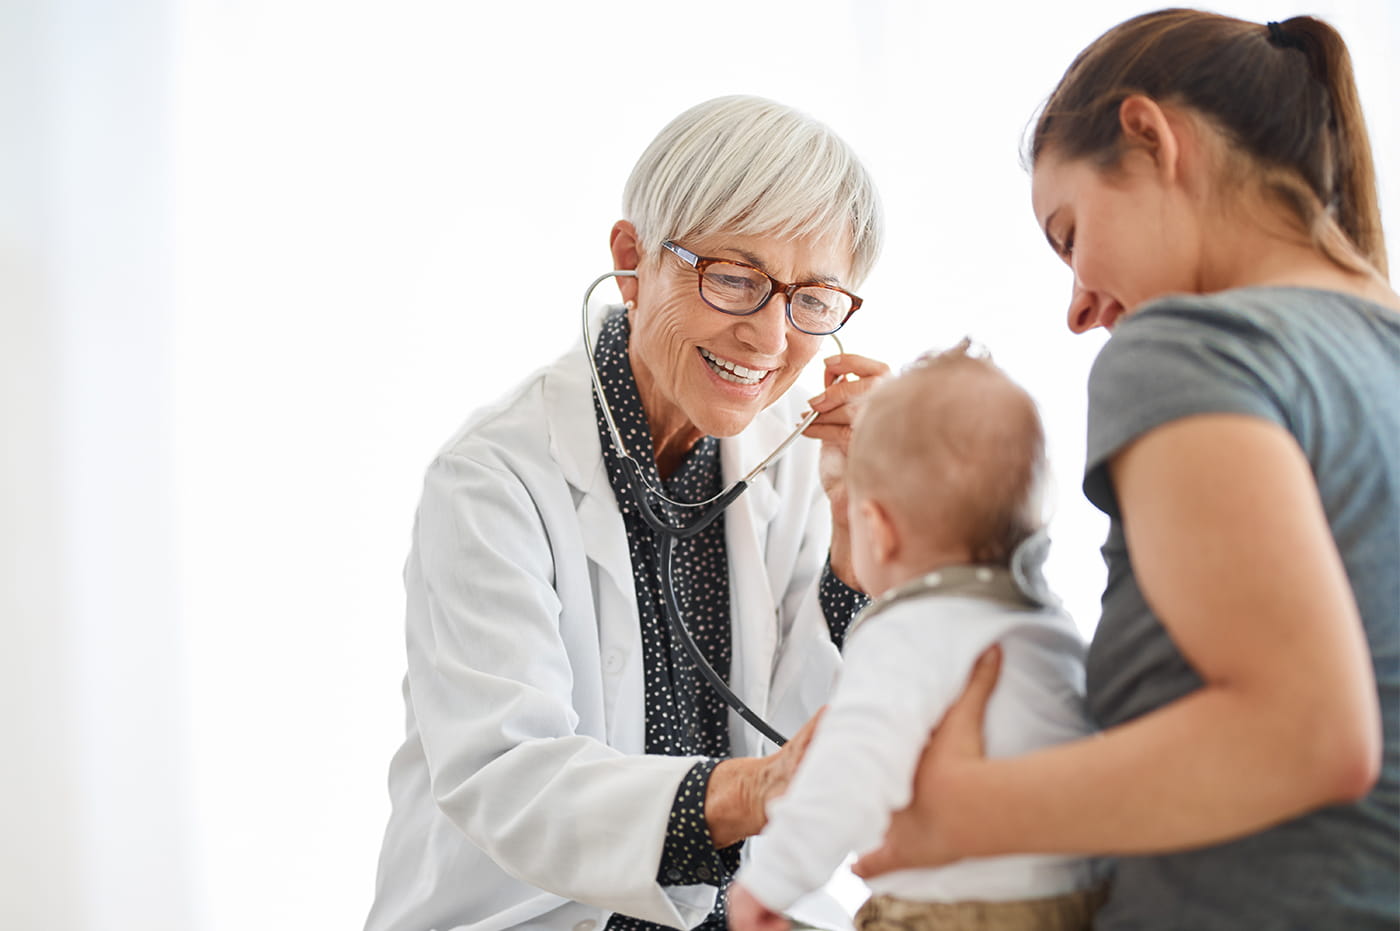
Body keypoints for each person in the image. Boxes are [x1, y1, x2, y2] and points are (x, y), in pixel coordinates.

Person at [851, 10, 1400, 930]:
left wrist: (960, 809)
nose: (1076, 308)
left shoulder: (1189, 348)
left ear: (1150, 138)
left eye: (1069, 235)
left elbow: (1307, 735)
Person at [364, 95, 890, 931]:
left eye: (813, 299)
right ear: (633, 259)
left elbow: (813, 749)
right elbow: (509, 776)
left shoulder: (800, 466)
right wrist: (754, 790)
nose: (767, 337)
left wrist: (866, 547)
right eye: (735, 279)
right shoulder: (493, 479)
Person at [725, 344, 1106, 931]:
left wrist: (768, 885)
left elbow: (847, 768)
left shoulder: (907, 631)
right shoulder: (1048, 626)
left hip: (952, 912)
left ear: (876, 527)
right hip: (1076, 902)